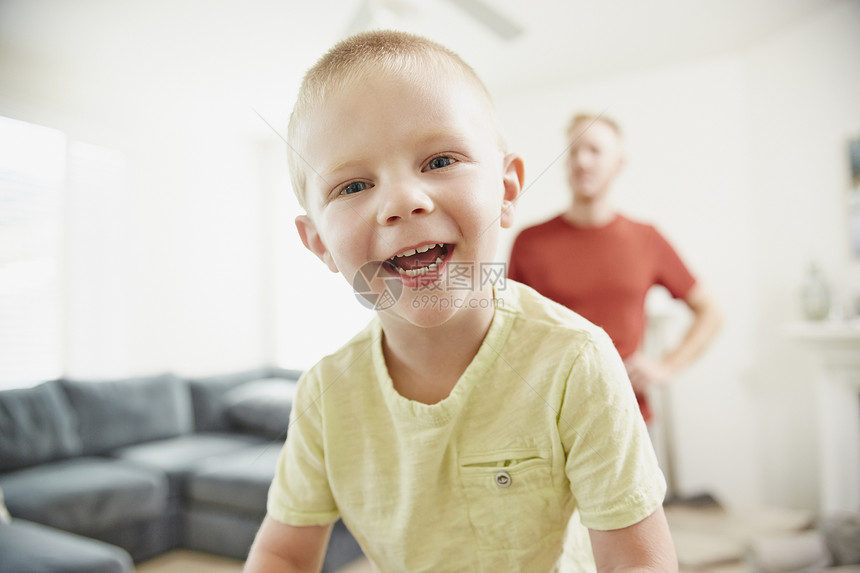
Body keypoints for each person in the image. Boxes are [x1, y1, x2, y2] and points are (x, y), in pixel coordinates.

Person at [244, 32, 677, 572]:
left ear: (507, 189)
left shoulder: (575, 362)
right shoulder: (326, 396)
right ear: (319, 244)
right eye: (353, 187)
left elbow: (637, 564)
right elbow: (282, 554)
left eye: (439, 159)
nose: (402, 201)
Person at [508, 114, 721, 423]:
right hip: (550, 415)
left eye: (594, 151)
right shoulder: (529, 242)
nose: (582, 161)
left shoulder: (646, 238)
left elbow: (711, 312)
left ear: (619, 163)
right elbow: (506, 328)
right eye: (574, 151)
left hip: (627, 414)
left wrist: (666, 367)